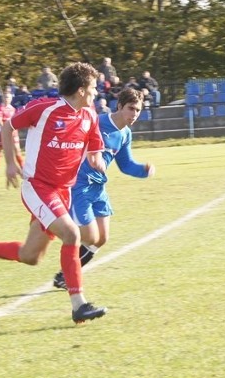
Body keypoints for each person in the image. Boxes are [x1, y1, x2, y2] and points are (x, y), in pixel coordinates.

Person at [0, 62, 109, 324]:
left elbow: (95, 149)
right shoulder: (44, 108)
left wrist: (97, 160)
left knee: (31, 256)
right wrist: (10, 163)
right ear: (80, 90)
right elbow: (9, 127)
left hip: (62, 193)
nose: (96, 93)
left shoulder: (89, 117)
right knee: (72, 233)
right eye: (93, 88)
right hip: (38, 187)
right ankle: (79, 305)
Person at [53, 88, 155, 291]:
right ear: (119, 106)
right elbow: (67, 136)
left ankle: (64, 276)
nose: (134, 114)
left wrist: (144, 170)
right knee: (90, 237)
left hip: (98, 188)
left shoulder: (125, 134)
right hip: (79, 186)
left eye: (138, 110)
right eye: (131, 109)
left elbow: (126, 165)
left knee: (102, 239)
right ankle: (68, 273)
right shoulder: (97, 122)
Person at [0, 91, 24, 174]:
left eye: (8, 97)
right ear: (3, 98)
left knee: (17, 149)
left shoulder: (13, 109)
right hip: (3, 132)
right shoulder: (0, 108)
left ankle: (23, 168)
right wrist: (4, 128)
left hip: (13, 132)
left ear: (11, 99)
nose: (7, 99)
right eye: (5, 97)